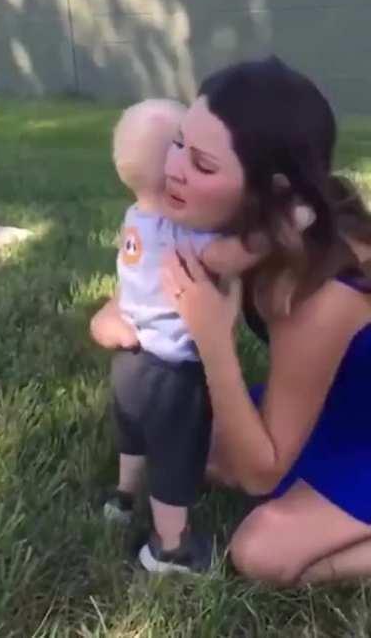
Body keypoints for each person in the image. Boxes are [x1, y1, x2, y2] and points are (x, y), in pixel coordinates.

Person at [159, 56, 371, 585]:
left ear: (270, 189)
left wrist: (213, 338)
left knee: (262, 550)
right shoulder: (283, 220)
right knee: (190, 444)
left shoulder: (318, 293)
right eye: (179, 142)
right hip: (346, 407)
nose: (175, 168)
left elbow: (261, 473)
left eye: (204, 165)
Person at [91, 99, 256, 573]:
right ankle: (169, 546)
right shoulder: (179, 231)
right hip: (172, 372)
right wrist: (273, 233)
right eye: (183, 145)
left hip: (130, 362)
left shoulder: (135, 217)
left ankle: (122, 499)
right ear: (173, 175)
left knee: (133, 435)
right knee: (176, 458)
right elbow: (229, 255)